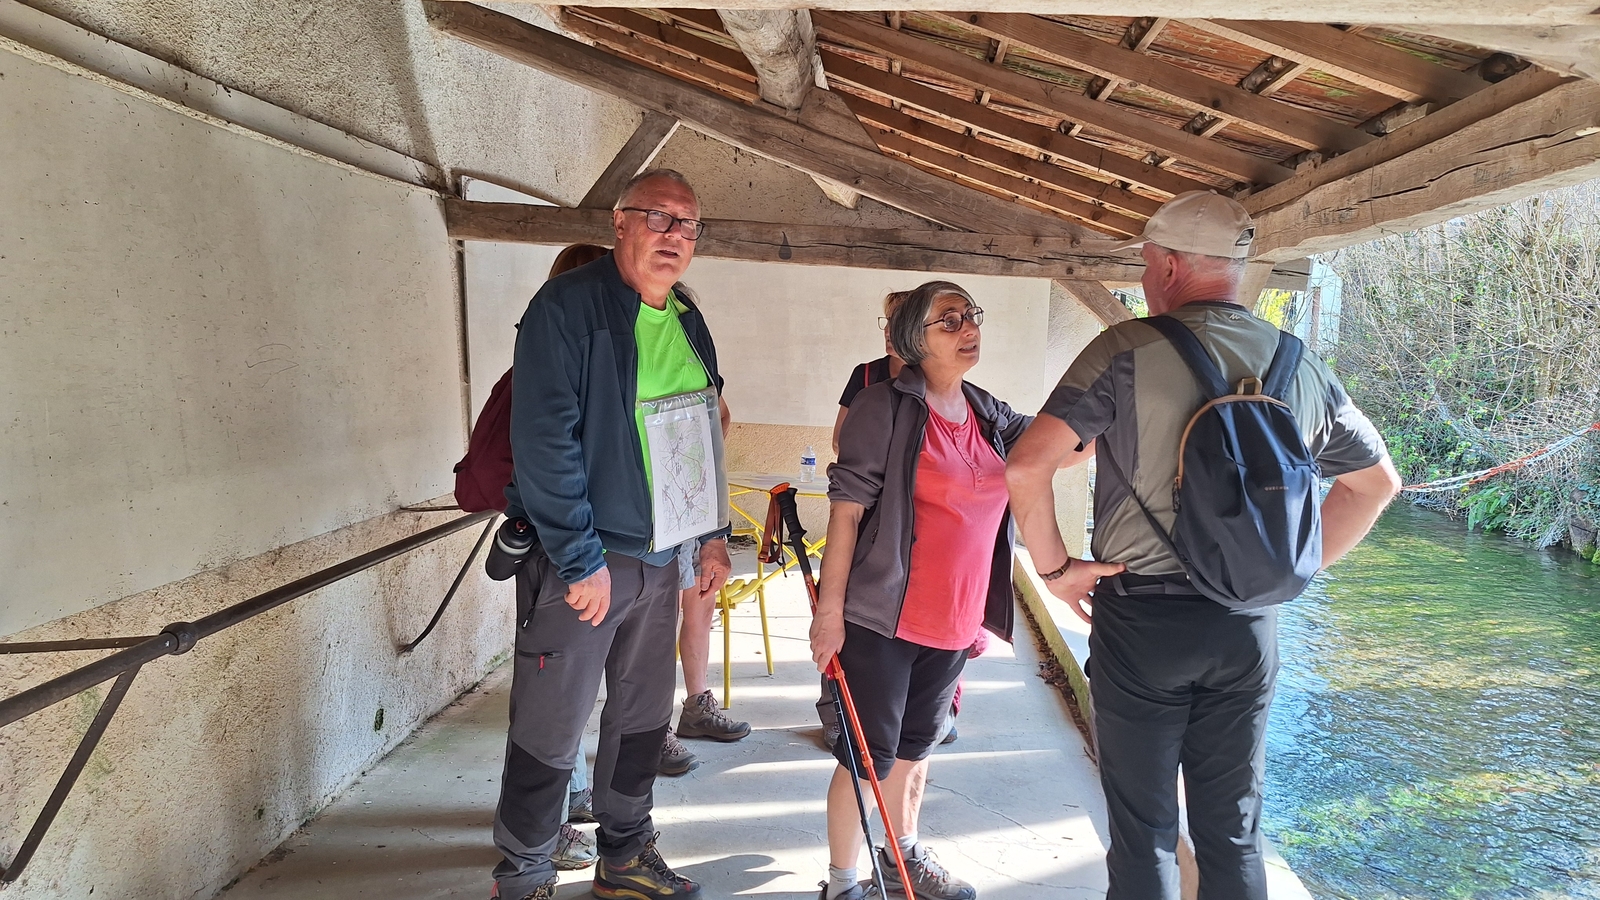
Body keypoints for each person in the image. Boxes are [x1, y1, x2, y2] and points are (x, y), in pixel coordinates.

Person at [1005, 191, 1402, 900]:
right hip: (1248, 626)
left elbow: (1026, 465)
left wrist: (1057, 569)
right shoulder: (1298, 363)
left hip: (1144, 619)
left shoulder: (1124, 350)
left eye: (1146, 263)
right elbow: (1377, 485)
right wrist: (1288, 569)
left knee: (1146, 831)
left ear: (1168, 264)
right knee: (1233, 830)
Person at [490, 169, 732, 900]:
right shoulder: (567, 308)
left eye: (688, 224)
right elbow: (544, 441)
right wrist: (578, 556)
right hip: (587, 562)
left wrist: (712, 534)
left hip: (662, 560)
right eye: (660, 218)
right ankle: (525, 875)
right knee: (550, 726)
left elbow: (702, 434)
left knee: (641, 720)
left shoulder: (687, 320)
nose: (675, 235)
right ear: (620, 222)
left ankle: (624, 855)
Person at [813, 281, 1032, 900]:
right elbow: (847, 514)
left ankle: (901, 856)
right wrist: (829, 613)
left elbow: (1055, 446)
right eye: (949, 320)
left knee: (917, 747)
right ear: (914, 338)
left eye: (971, 316)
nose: (969, 328)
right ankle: (841, 884)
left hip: (955, 619)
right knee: (868, 759)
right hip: (882, 618)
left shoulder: (987, 411)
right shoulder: (882, 406)